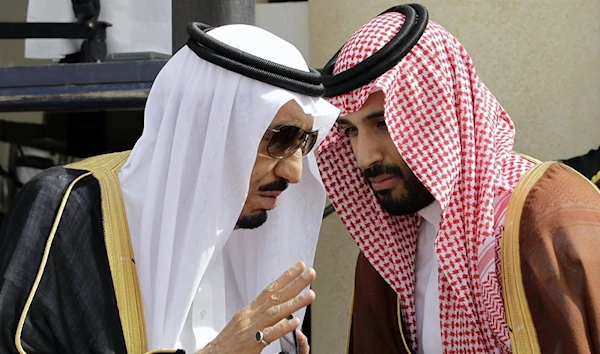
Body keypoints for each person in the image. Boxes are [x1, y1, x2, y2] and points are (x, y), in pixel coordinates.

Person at [0, 23, 339, 354]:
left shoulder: (258, 241)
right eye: (279, 139)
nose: (294, 172)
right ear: (208, 127)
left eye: (303, 142)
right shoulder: (70, 208)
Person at [316, 4, 600, 354]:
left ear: (441, 113)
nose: (364, 157)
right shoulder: (387, 250)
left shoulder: (545, 220)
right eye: (350, 132)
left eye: (383, 124)